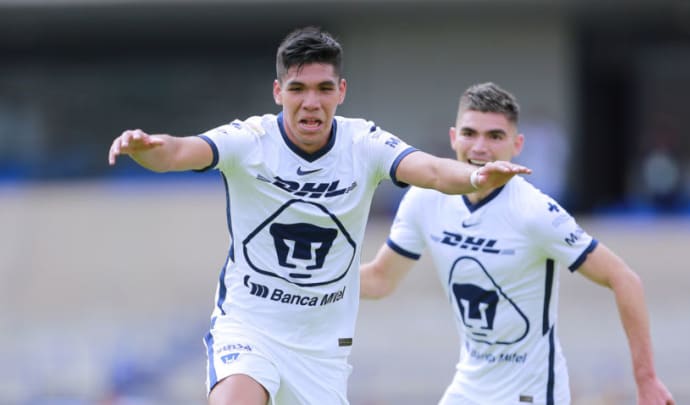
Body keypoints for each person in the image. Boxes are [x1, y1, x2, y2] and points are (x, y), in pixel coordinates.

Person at [106, 28, 529, 405]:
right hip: (250, 327)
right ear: (278, 92)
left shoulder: (364, 143)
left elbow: (434, 170)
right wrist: (146, 146)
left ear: (341, 91)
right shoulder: (250, 140)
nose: (311, 102)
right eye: (298, 89)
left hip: (321, 350)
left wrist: (476, 174)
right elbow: (178, 151)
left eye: (324, 88)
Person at [360, 82, 674, 405]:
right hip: (468, 388)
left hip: (531, 394)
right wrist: (307, 284)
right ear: (454, 137)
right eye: (470, 134)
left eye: (495, 136)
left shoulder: (534, 212)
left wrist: (646, 378)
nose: (480, 147)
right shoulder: (424, 200)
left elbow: (625, 279)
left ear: (517, 144)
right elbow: (380, 279)